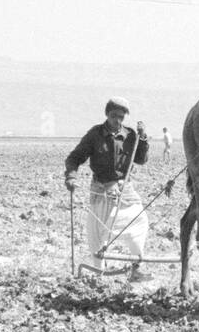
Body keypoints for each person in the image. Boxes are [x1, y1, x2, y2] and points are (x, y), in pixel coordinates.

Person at [64, 99, 150, 273]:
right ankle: (99, 271)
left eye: (121, 116)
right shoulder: (95, 135)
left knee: (139, 222)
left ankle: (138, 266)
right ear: (107, 114)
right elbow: (74, 158)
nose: (117, 120)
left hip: (125, 189)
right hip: (102, 189)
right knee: (101, 232)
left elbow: (141, 159)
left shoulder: (130, 135)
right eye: (113, 116)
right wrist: (71, 177)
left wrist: (142, 138)